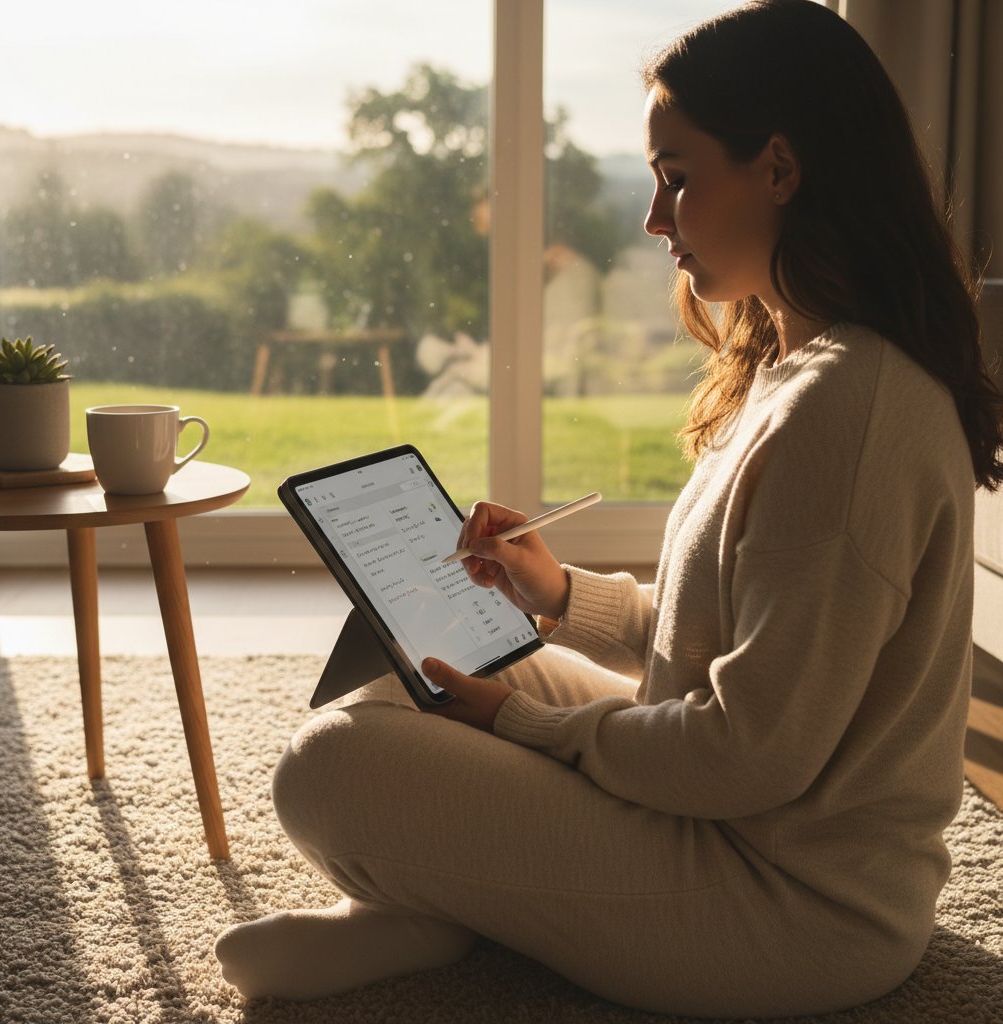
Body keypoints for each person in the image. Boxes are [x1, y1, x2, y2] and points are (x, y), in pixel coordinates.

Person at [214, 0, 1003, 1016]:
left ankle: (442, 908)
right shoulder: (793, 364)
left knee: (329, 766)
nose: (652, 217)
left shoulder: (848, 412)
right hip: (727, 825)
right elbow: (720, 645)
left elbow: (741, 754)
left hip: (791, 910)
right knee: (430, 664)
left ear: (778, 169)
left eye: (676, 177)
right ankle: (453, 905)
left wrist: (526, 729)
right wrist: (556, 596)